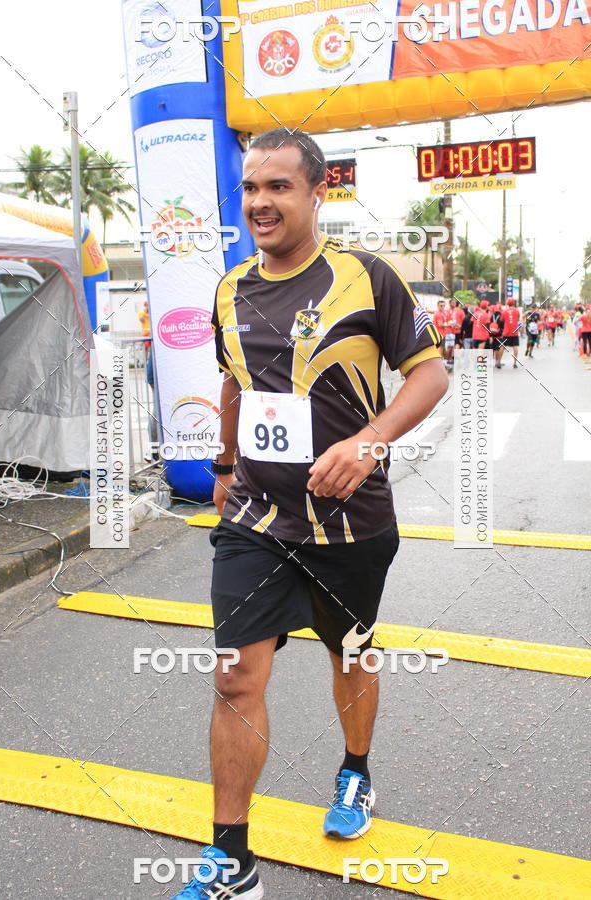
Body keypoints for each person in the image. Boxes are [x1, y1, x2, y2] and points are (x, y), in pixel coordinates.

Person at [170, 129, 448, 899]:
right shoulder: (229, 289)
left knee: (349, 653)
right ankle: (232, 863)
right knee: (234, 678)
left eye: (278, 187)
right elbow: (233, 383)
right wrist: (225, 465)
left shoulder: (366, 278)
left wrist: (368, 442)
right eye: (251, 188)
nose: (261, 202)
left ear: (315, 192)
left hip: (351, 523)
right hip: (257, 521)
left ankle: (355, 772)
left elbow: (430, 376)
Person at [499, 298, 521, 368]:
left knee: (502, 346)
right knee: (515, 346)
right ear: (513, 303)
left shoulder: (504, 311)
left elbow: (501, 321)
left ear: (507, 303)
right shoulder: (517, 311)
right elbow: (517, 319)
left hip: (506, 332)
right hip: (514, 332)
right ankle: (514, 363)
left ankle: (498, 362)